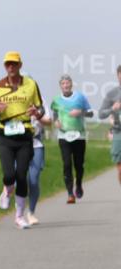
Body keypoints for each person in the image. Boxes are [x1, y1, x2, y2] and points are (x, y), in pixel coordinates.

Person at [0, 52, 44, 229]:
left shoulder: (31, 84)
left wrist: (37, 113)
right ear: (5, 66)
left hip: (25, 134)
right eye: (7, 64)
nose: (10, 67)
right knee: (9, 175)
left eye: (14, 64)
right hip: (5, 135)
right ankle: (7, 189)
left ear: (20, 65)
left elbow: (41, 108)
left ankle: (19, 216)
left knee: (21, 176)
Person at [48, 74, 94, 203]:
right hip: (64, 136)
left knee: (79, 164)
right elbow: (55, 113)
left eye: (67, 83)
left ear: (71, 84)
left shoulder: (80, 97)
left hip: (79, 136)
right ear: (60, 86)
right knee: (67, 164)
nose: (66, 85)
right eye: (63, 84)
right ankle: (70, 193)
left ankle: (78, 184)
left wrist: (81, 112)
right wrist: (56, 121)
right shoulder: (56, 99)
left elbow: (91, 113)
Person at [100, 65, 121, 186]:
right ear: (118, 76)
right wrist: (112, 109)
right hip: (118, 133)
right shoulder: (112, 94)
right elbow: (101, 114)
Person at [25, 114, 47, 225]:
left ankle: (31, 212)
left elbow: (49, 121)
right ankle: (19, 211)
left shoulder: (41, 105)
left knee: (33, 181)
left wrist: (37, 115)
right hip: (17, 145)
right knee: (18, 180)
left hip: (36, 145)